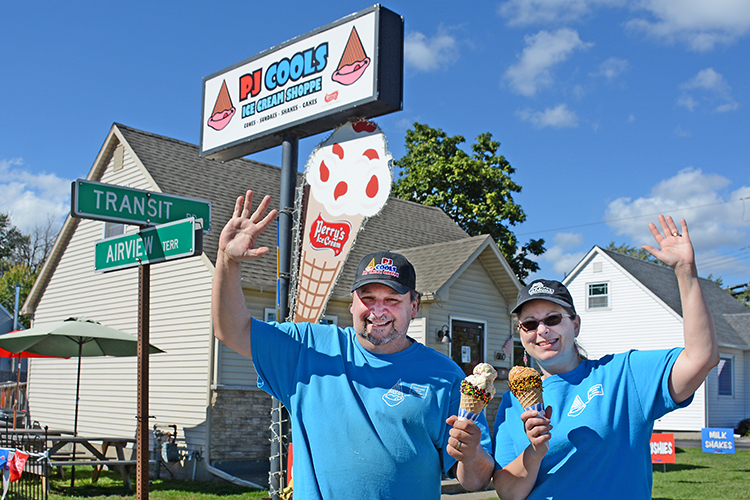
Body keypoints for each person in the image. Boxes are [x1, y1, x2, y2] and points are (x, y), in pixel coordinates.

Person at [211, 190, 492, 499]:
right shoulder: (308, 348)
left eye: (392, 300)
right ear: (352, 304)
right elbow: (232, 330)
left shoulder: (446, 377)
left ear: (413, 306)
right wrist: (227, 261)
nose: (378, 310)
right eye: (368, 298)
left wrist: (469, 453)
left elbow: (474, 481)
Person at [455, 215, 718, 500]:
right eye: (529, 324)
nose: (542, 330)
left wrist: (685, 272)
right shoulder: (511, 402)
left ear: (575, 324)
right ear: (521, 333)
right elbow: (508, 492)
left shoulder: (623, 375)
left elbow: (701, 357)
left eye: (553, 319)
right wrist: (534, 452)